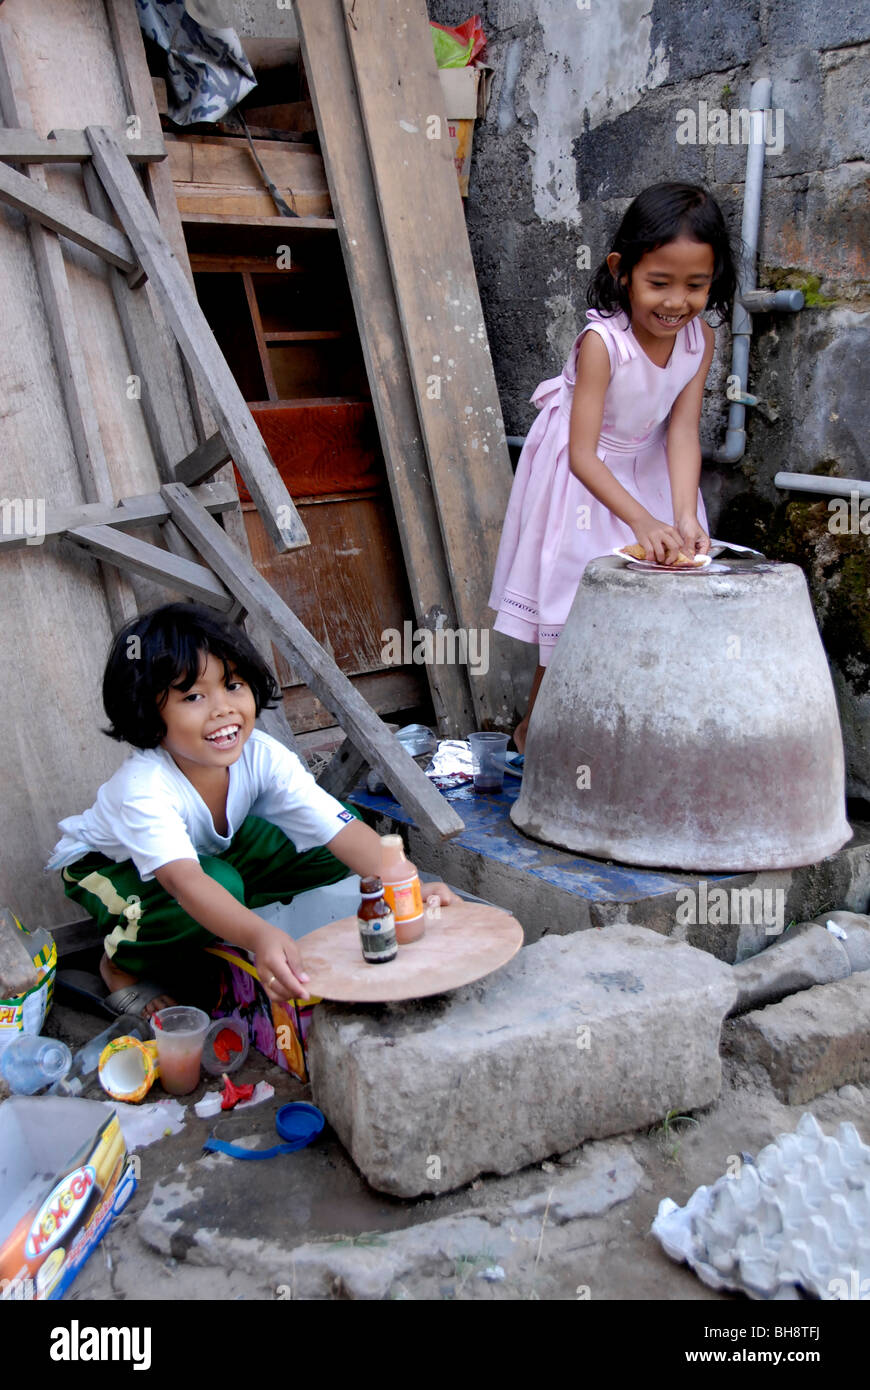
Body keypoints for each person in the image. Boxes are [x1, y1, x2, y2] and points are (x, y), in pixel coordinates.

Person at [47, 603, 452, 1019]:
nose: (223, 708)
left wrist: (408, 889)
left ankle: (228, 914)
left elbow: (336, 827)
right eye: (193, 696)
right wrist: (260, 938)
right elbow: (185, 882)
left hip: (209, 854)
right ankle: (118, 966)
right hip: (111, 867)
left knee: (336, 833)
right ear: (150, 715)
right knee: (215, 885)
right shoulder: (143, 788)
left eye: (234, 685)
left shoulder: (262, 756)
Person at [489, 182, 736, 751]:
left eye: (696, 285)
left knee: (652, 605)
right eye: (659, 283)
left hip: (650, 465)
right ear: (622, 270)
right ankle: (534, 737)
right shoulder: (602, 343)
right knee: (578, 613)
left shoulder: (701, 340)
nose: (676, 302)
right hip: (582, 475)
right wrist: (643, 523)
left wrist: (680, 514)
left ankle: (615, 746)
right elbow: (581, 455)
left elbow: (680, 430)